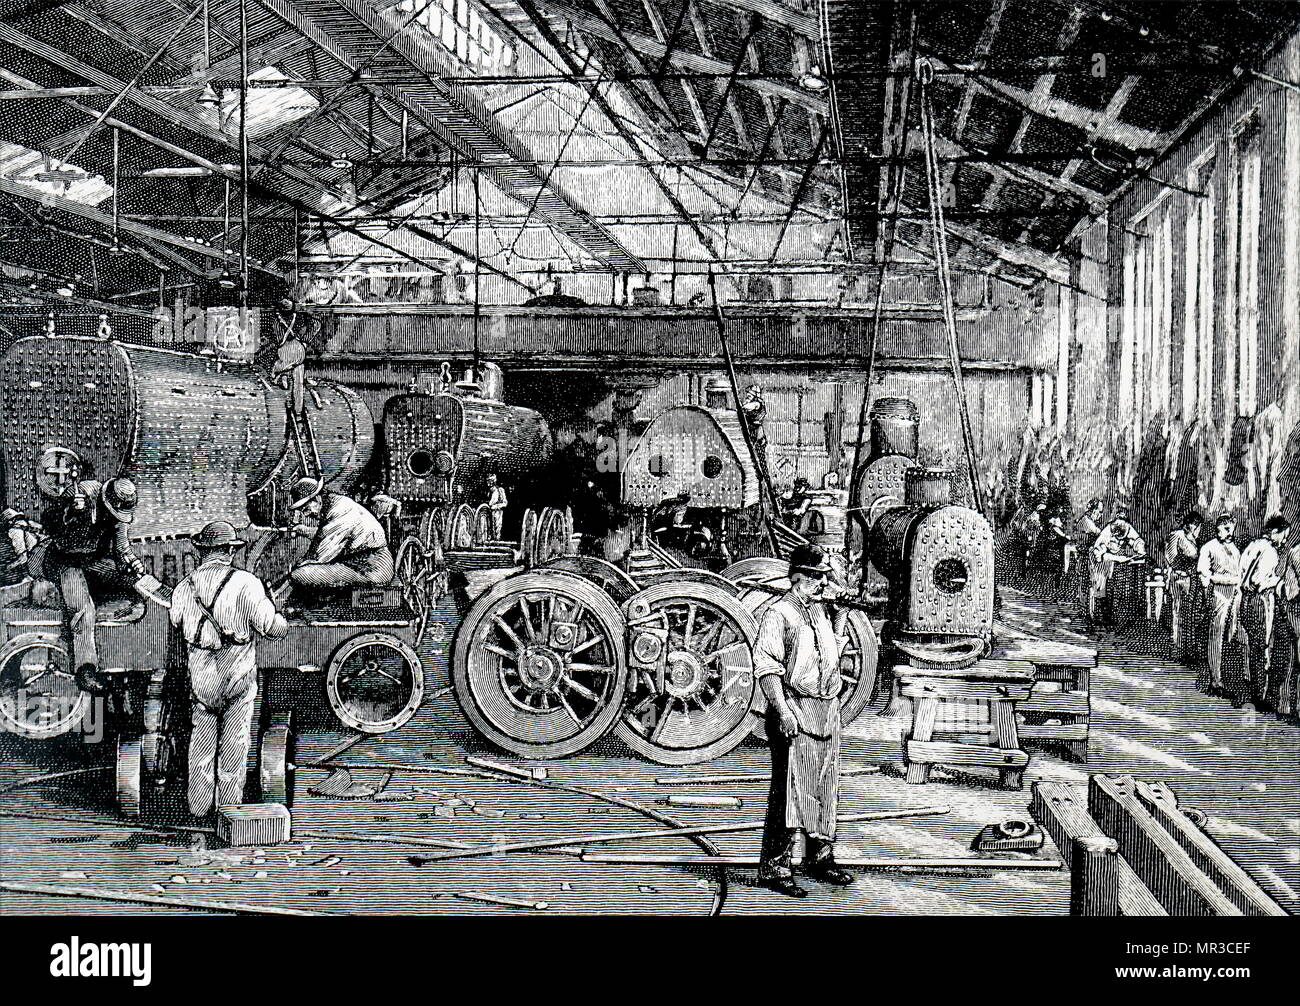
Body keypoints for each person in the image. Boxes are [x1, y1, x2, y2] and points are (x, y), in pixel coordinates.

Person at [754, 543, 854, 897]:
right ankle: (775, 867)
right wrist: (782, 710)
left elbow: (831, 655)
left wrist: (840, 615)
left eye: (824, 577)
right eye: (817, 578)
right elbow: (766, 667)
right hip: (795, 706)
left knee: (825, 788)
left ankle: (820, 859)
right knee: (789, 793)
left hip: (826, 708)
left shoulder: (820, 612)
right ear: (798, 578)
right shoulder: (778, 613)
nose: (823, 584)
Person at [169, 521, 287, 819]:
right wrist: (282, 619)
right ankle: (228, 808)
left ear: (202, 552)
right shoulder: (246, 583)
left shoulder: (184, 587)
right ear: (229, 551)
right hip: (237, 670)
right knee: (235, 740)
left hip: (201, 672)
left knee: (202, 739)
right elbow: (271, 628)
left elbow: (176, 622)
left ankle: (197, 807)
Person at [40, 475, 146, 694]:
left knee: (129, 583)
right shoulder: (80, 493)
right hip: (64, 560)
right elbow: (47, 522)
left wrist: (133, 564)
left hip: (92, 561)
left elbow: (122, 548)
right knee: (82, 608)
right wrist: (67, 514)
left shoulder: (118, 515)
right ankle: (85, 668)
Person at [287, 477, 395, 598]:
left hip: (372, 569)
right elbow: (326, 534)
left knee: (300, 574)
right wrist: (304, 530)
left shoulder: (338, 510)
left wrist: (301, 564)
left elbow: (320, 555)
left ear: (317, 498)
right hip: (361, 564)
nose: (306, 514)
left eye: (306, 509)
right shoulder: (337, 503)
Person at [1239, 515, 1290, 705]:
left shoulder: (1252, 546)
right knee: (1262, 647)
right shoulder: (1269, 551)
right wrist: (1279, 582)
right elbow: (1258, 581)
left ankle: (1254, 688)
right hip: (1259, 601)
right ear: (1274, 532)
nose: (1284, 541)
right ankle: (1259, 695)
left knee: (1254, 646)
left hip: (1246, 601)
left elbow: (1243, 575)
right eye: (1283, 536)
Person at [1198, 513, 1242, 694]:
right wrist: (1214, 585)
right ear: (1219, 529)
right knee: (1216, 635)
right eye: (1225, 530)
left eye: (1231, 530)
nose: (1229, 534)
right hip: (1218, 594)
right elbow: (1203, 574)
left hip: (1235, 594)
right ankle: (1215, 679)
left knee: (1233, 633)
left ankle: (1231, 676)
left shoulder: (1235, 550)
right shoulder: (1209, 547)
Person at [1088, 512, 1147, 623]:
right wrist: (1112, 556)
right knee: (1101, 587)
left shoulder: (1127, 527)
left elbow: (1138, 541)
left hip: (1115, 563)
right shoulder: (1106, 533)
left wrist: (1138, 547)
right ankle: (1099, 617)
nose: (1120, 540)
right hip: (1101, 563)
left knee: (1118, 587)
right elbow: (1098, 554)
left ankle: (1117, 615)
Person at [1163, 510, 1203, 655]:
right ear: (1192, 525)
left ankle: (1187, 647)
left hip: (1189, 578)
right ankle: (1178, 646)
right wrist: (1188, 561)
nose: (1198, 530)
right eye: (1197, 526)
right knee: (1178, 610)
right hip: (1179, 577)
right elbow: (1171, 557)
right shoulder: (1177, 535)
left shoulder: (1192, 539)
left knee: (1188, 612)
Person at [1280, 536, 1300, 717]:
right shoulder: (1297, 552)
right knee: (1295, 660)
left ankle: (1286, 704)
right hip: (1297, 610)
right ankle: (1289, 705)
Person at [485, 473, 508, 540]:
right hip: (487, 513)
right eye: (487, 480)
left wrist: (496, 506)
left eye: (489, 480)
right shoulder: (488, 492)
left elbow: (505, 503)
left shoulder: (500, 490)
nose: (488, 482)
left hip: (497, 513)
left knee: (497, 529)